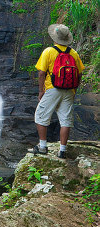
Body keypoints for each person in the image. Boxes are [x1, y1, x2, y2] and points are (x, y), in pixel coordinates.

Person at [32, 24, 84, 159]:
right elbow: (79, 74)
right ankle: (62, 150)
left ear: (54, 38)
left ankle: (42, 147)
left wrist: (41, 91)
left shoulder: (49, 51)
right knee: (65, 120)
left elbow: (41, 73)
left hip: (52, 89)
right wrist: (74, 90)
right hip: (69, 91)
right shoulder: (74, 53)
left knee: (41, 116)